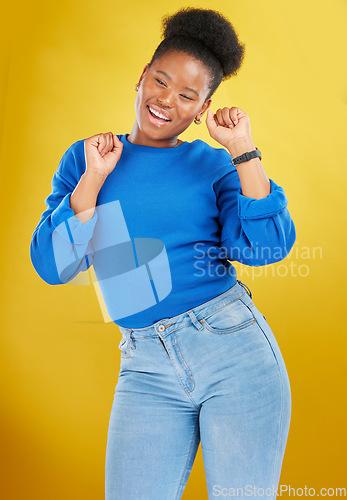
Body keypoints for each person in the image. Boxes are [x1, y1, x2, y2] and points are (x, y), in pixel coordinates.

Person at [30, 7, 296, 500]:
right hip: (145, 365)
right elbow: (54, 265)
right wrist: (94, 178)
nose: (166, 100)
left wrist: (243, 149)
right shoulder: (86, 158)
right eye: (160, 80)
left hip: (233, 350)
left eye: (187, 95)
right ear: (141, 77)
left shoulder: (213, 165)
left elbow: (266, 247)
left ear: (203, 109)